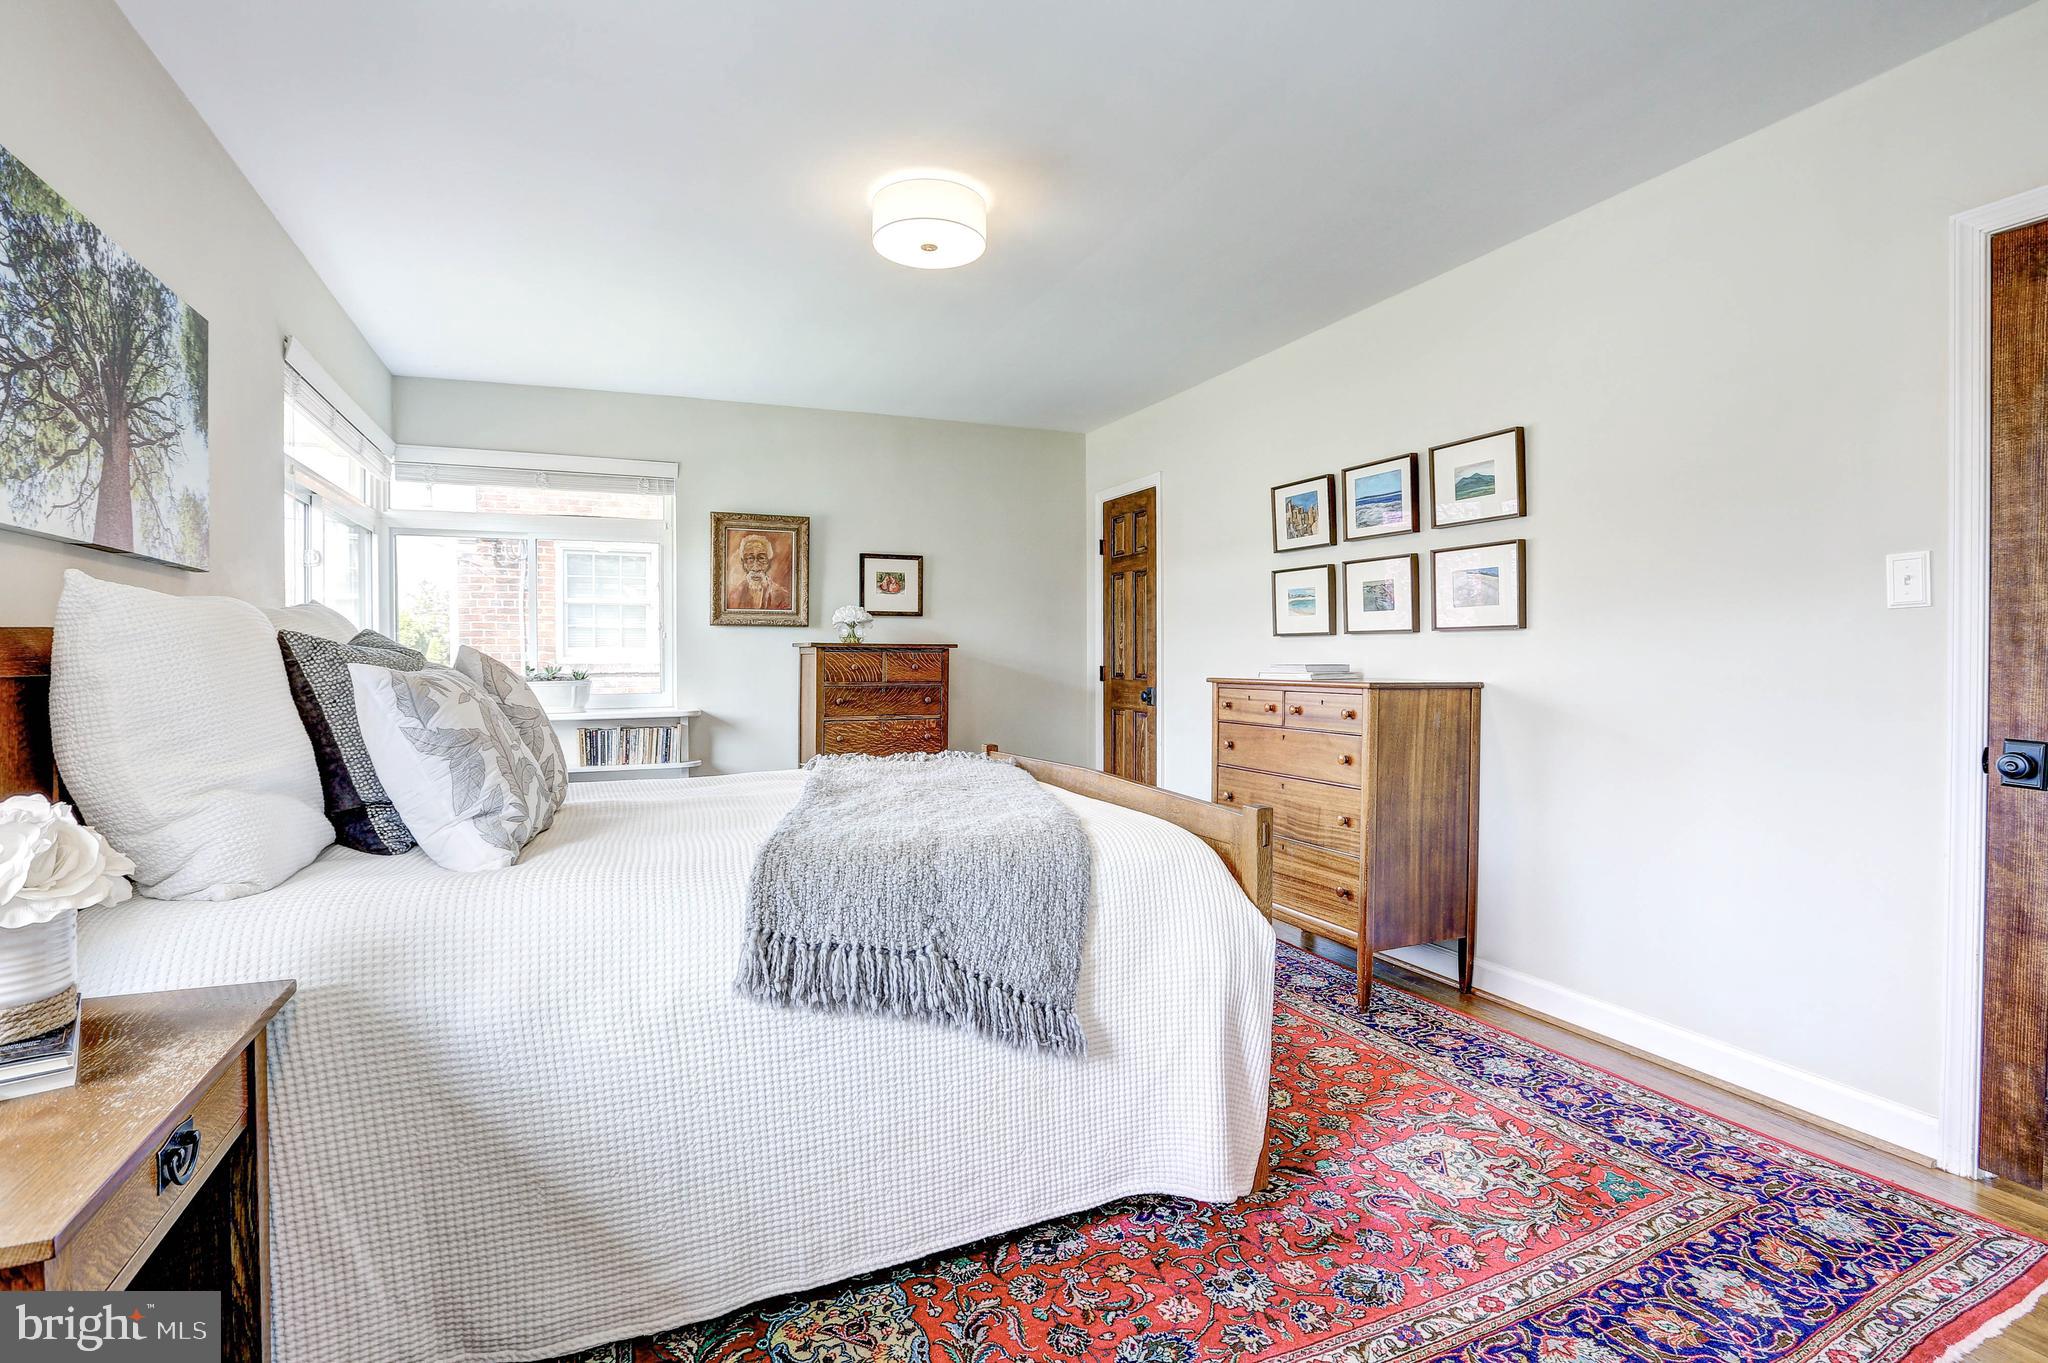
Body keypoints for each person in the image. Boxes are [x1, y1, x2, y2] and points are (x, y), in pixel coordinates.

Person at [728, 532, 791, 610]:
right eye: (750, 558)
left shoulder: (783, 596)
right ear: (743, 562)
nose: (756, 566)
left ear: (768, 562)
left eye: (761, 558)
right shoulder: (733, 596)